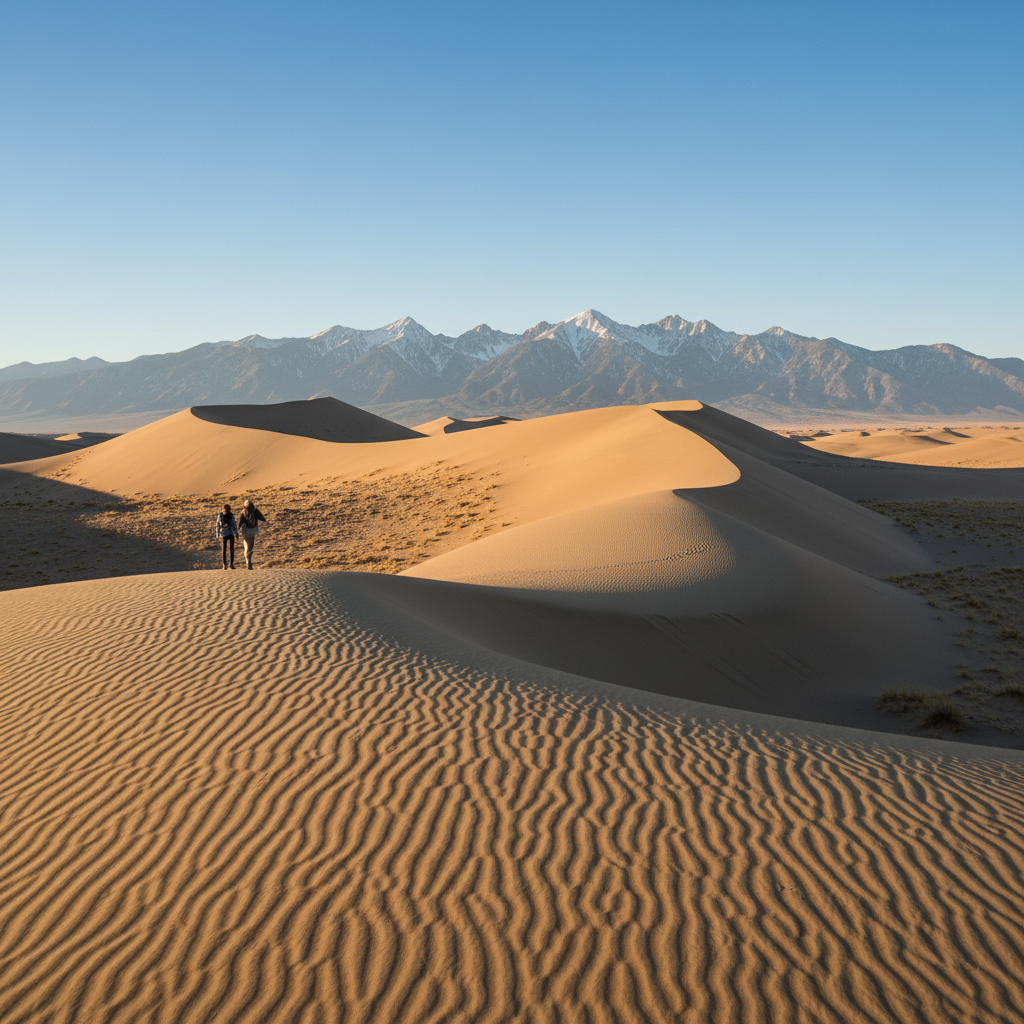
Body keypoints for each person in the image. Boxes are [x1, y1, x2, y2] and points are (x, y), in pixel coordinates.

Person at [238, 498, 267, 570]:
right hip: (252, 531)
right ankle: (249, 560)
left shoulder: (243, 512)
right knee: (250, 546)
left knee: (246, 547)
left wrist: (237, 529)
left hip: (245, 531)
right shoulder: (255, 511)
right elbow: (262, 518)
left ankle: (248, 561)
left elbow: (239, 522)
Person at [215, 504, 238, 569]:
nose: (225, 512)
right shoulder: (220, 516)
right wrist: (217, 534)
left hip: (231, 533)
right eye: (224, 510)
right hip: (223, 534)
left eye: (227, 510)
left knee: (232, 549)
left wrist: (236, 534)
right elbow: (217, 525)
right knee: (224, 550)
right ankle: (224, 564)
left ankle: (231, 564)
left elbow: (234, 524)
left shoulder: (231, 515)